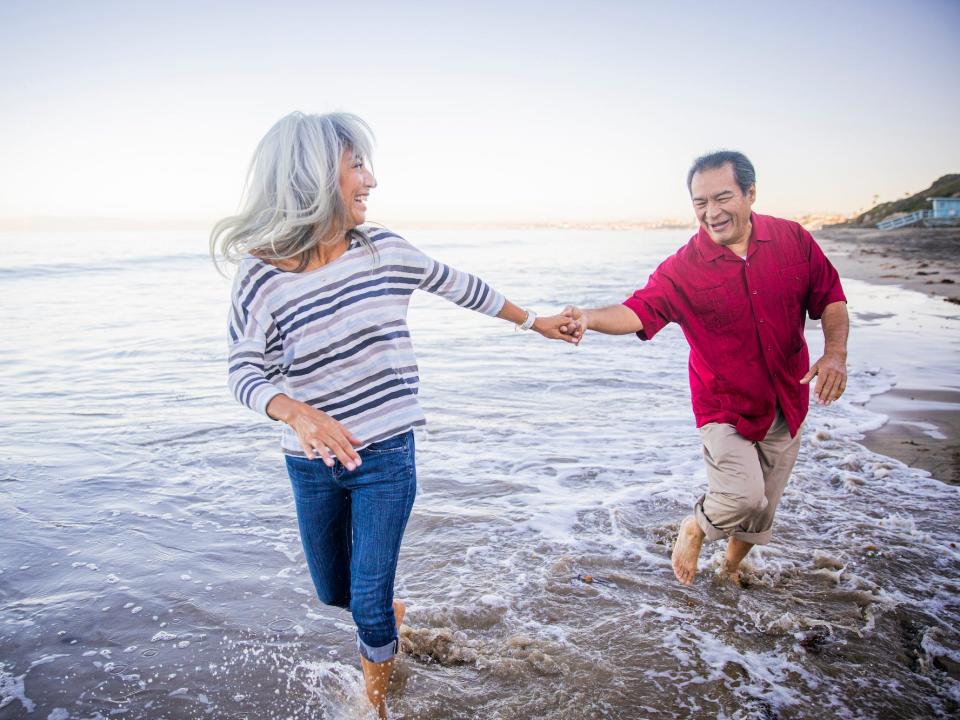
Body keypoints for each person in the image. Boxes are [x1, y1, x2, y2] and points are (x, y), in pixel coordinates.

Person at [211, 111, 575, 717]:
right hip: (311, 462)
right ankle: (384, 617)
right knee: (334, 593)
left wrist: (536, 322)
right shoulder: (259, 276)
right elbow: (243, 371)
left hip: (386, 455)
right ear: (311, 176)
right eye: (357, 166)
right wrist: (296, 413)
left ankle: (374, 709)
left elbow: (461, 285)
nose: (371, 180)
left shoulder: (382, 250)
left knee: (369, 603)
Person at [560, 150, 849, 586]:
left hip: (787, 399)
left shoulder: (792, 239)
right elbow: (638, 310)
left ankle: (730, 569)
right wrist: (589, 317)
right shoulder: (683, 268)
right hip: (724, 406)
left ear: (750, 193)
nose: (711, 212)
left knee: (762, 508)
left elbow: (830, 297)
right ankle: (695, 526)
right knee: (742, 496)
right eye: (700, 202)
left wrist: (834, 354)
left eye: (723, 197)